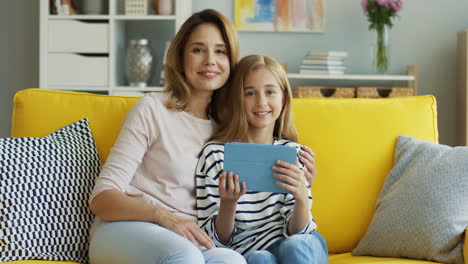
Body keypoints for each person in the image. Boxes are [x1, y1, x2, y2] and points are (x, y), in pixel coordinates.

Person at [88, 9, 246, 264]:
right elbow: (101, 198)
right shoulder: (153, 109)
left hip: (190, 240)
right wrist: (162, 216)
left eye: (220, 51)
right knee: (184, 256)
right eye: (198, 50)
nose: (210, 61)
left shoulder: (229, 128)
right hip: (124, 230)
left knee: (231, 260)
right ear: (180, 57)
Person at [196, 55, 328, 264]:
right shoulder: (215, 155)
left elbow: (300, 232)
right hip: (249, 252)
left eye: (270, 92)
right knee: (260, 259)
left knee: (295, 246)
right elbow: (214, 242)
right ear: (236, 99)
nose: (261, 102)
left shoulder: (292, 153)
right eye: (250, 93)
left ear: (283, 99)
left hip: (299, 245)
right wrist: (228, 204)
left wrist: (302, 196)